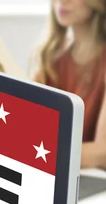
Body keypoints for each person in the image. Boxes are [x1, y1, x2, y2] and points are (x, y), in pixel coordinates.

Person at [33, 0, 106, 169]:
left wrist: (37, 153)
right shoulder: (51, 56)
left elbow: (102, 152)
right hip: (56, 170)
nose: (62, 2)